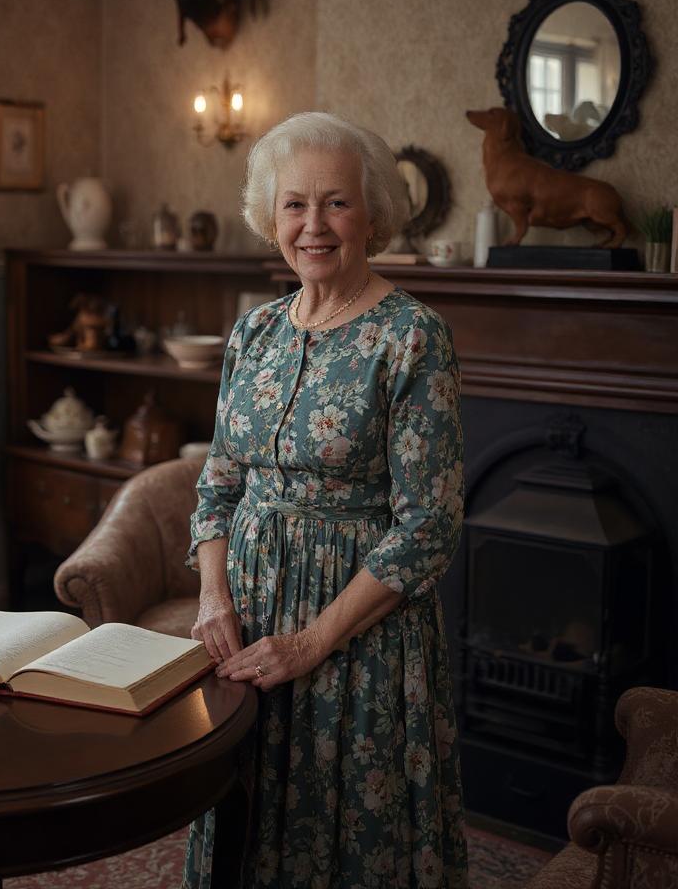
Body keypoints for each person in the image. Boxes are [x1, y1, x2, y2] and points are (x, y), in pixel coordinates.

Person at [184, 112, 468, 888]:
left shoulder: (412, 337)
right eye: (294, 205)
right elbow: (219, 482)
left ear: (372, 212)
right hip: (242, 624)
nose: (314, 225)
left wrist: (311, 643)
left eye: (336, 203)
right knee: (244, 822)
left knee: (343, 839)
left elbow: (429, 527)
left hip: (356, 640)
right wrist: (214, 597)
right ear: (269, 217)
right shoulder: (253, 333)